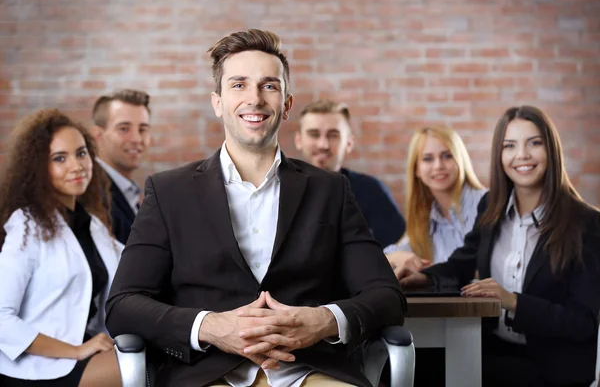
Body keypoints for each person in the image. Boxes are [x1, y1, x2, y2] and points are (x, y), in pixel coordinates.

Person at [105, 29, 406, 387]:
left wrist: (324, 320)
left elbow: (387, 296)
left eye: (269, 86)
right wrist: (210, 327)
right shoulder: (169, 191)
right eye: (238, 85)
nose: (255, 99)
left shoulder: (331, 190)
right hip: (206, 373)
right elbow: (123, 303)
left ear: (287, 104)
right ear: (217, 102)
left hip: (311, 369)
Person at [401, 106, 600, 386]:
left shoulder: (586, 223)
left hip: (553, 365)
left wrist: (513, 301)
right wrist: (423, 278)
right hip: (492, 349)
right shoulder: (490, 208)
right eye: (510, 146)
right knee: (415, 367)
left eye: (534, 143)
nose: (522, 155)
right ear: (500, 155)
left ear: (551, 150)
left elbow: (582, 322)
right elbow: (462, 262)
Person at [0, 109, 123, 386]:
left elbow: (136, 263)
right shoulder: (26, 225)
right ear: (38, 169)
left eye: (81, 153)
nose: (77, 165)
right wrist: (75, 351)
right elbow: (1, 319)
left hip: (85, 349)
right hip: (37, 365)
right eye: (60, 158)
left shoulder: (92, 226)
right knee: (143, 366)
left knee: (164, 355)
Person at [294, 99, 405, 247]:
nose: (323, 145)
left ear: (349, 143)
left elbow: (394, 251)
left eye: (333, 135)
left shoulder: (371, 191)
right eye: (314, 134)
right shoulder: (279, 190)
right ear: (298, 140)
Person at [383, 125, 486, 278]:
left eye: (447, 156)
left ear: (460, 160)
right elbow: (385, 256)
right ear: (416, 169)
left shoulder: (487, 203)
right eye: (428, 159)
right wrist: (397, 257)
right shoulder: (427, 220)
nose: (438, 166)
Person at [91, 89, 152, 244]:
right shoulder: (91, 194)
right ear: (98, 135)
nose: (136, 138)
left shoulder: (130, 192)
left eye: (142, 129)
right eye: (124, 129)